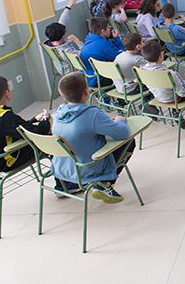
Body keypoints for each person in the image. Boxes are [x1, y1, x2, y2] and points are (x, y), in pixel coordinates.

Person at [51, 72, 133, 203]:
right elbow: (122, 133)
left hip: (62, 169)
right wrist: (120, 120)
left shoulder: (57, 114)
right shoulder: (92, 114)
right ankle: (103, 184)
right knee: (128, 142)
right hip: (87, 168)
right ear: (86, 92)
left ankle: (68, 185)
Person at [140, 40, 185, 131]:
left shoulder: (142, 70)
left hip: (158, 97)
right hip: (174, 99)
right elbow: (183, 93)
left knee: (170, 88)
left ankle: (175, 112)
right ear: (161, 54)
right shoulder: (170, 73)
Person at [0, 76, 50, 173]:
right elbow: (40, 132)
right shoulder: (5, 117)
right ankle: (66, 182)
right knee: (52, 140)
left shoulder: (0, 115)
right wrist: (45, 119)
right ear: (7, 93)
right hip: (6, 161)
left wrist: (33, 120)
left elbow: (15, 128)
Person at [79, 17, 124, 87]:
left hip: (88, 78)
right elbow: (121, 56)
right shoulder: (103, 44)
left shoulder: (89, 39)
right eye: (108, 28)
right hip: (98, 80)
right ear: (103, 31)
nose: (110, 29)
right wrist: (117, 39)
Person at [44, 0, 82, 74]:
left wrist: (69, 6)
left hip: (63, 68)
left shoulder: (50, 43)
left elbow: (62, 23)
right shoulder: (65, 52)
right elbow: (85, 55)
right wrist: (77, 41)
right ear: (63, 36)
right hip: (75, 73)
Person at [155, 3, 185, 68]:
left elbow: (164, 7)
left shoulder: (158, 25)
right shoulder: (176, 29)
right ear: (174, 14)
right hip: (180, 50)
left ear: (162, 15)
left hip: (170, 48)